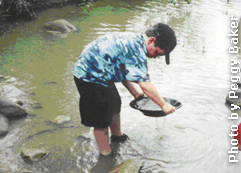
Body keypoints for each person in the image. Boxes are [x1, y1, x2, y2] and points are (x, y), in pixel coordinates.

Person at [72, 23, 177, 156]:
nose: (156, 57)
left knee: (115, 101)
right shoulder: (137, 52)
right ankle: (105, 154)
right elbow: (145, 85)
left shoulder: (134, 40)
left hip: (102, 72)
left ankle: (117, 137)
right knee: (101, 118)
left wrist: (135, 94)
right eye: (157, 52)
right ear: (151, 41)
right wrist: (163, 104)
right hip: (88, 75)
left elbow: (121, 70)